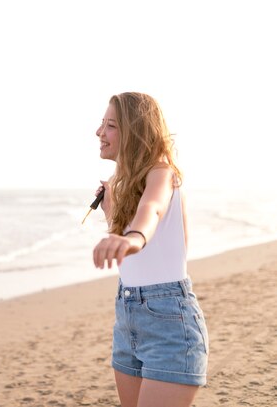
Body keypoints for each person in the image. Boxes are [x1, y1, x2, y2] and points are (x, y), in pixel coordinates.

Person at [92, 92, 209, 407]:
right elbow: (136, 253)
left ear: (134, 132)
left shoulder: (162, 172)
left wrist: (130, 239)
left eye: (111, 125)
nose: (99, 133)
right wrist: (110, 210)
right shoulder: (120, 185)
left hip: (169, 320)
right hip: (128, 317)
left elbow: (152, 211)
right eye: (101, 124)